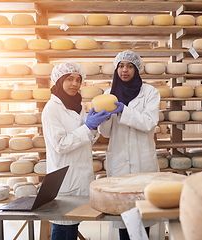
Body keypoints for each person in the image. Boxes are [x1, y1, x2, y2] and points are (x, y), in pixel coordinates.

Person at [42, 62, 116, 240]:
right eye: (69, 79)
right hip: (64, 177)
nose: (75, 84)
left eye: (78, 80)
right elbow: (60, 144)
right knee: (61, 225)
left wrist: (92, 128)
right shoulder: (51, 109)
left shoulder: (77, 106)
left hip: (80, 174)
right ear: (59, 81)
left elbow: (86, 140)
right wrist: (86, 127)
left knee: (73, 223)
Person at [98, 50, 161, 240]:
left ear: (137, 69)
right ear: (116, 69)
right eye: (121, 66)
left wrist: (124, 111)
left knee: (143, 215)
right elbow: (106, 133)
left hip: (142, 160)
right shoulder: (108, 94)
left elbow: (149, 123)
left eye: (129, 66)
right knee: (122, 215)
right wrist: (104, 119)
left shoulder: (150, 92)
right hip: (119, 162)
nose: (124, 70)